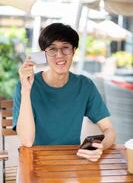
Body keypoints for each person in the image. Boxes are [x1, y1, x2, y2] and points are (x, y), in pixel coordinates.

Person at [13, 23, 116, 162]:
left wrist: (100, 147)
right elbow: (27, 141)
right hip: (35, 162)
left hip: (71, 162)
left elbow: (109, 129)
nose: (59, 55)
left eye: (65, 48)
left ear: (73, 50)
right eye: (52, 49)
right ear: (44, 54)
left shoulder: (84, 85)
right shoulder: (25, 85)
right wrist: (26, 91)